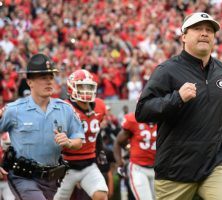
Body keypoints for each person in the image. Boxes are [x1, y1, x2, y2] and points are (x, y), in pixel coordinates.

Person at [135, 12, 222, 200]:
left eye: (209, 30)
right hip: (176, 170)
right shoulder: (166, 70)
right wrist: (177, 98)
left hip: (214, 164)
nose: (204, 33)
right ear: (184, 36)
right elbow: (142, 111)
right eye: (198, 29)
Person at [0, 53, 85, 200]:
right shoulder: (14, 110)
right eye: (43, 78)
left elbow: (79, 140)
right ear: (30, 82)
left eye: (51, 77)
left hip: (53, 179)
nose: (49, 82)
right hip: (23, 177)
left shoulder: (65, 109)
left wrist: (69, 142)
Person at [54, 69, 108, 200]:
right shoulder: (65, 108)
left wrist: (100, 151)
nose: (86, 91)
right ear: (72, 87)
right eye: (82, 87)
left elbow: (97, 132)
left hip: (88, 164)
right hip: (66, 166)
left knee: (101, 195)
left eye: (89, 87)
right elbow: (54, 139)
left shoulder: (100, 106)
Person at [113, 112, 157, 200]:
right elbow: (118, 141)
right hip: (138, 169)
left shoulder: (163, 118)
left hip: (158, 169)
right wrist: (120, 162)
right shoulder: (133, 119)